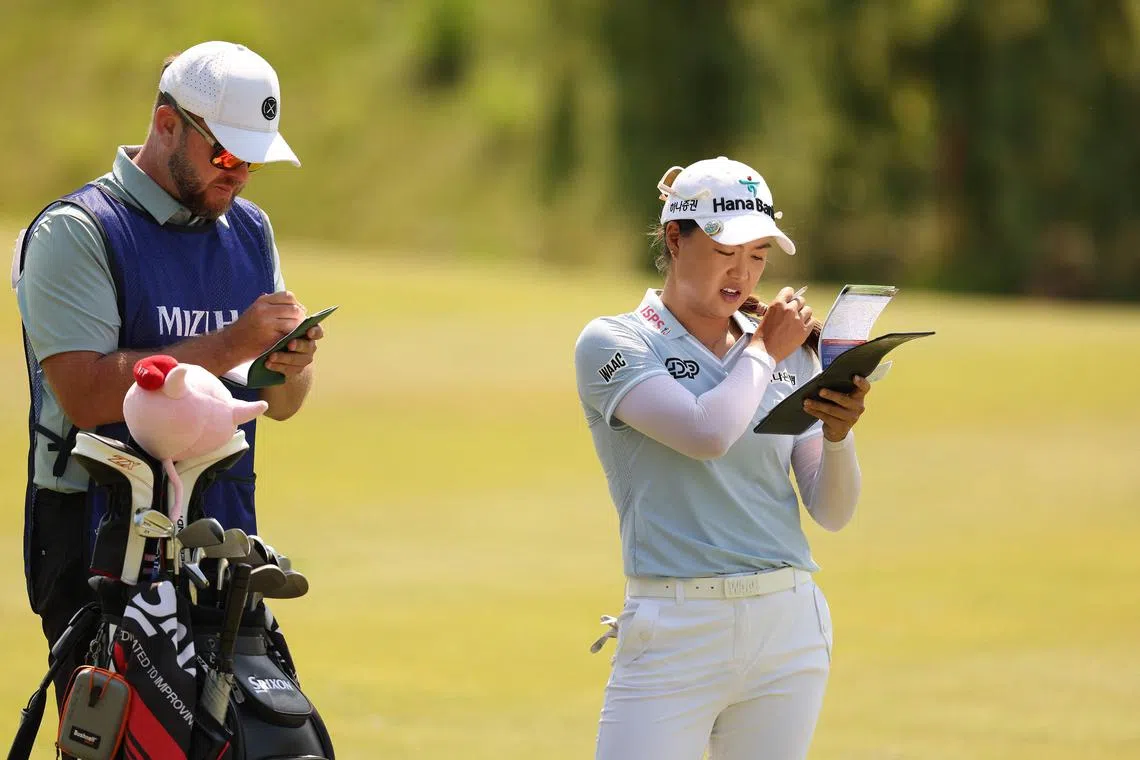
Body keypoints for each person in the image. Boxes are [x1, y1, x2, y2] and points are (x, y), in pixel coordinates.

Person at [13, 40, 323, 713]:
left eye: (252, 162)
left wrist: (286, 366)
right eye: (225, 155)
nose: (238, 176)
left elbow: (282, 404)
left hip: (224, 533)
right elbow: (89, 392)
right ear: (166, 126)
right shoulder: (77, 231)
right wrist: (233, 341)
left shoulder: (250, 230)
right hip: (100, 540)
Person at [574, 156, 872, 760]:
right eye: (726, 251)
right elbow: (705, 433)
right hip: (674, 628)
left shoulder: (786, 350)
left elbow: (832, 512)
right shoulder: (615, 342)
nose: (743, 272)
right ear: (675, 238)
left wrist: (839, 434)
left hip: (788, 625)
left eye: (758, 254)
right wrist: (765, 349)